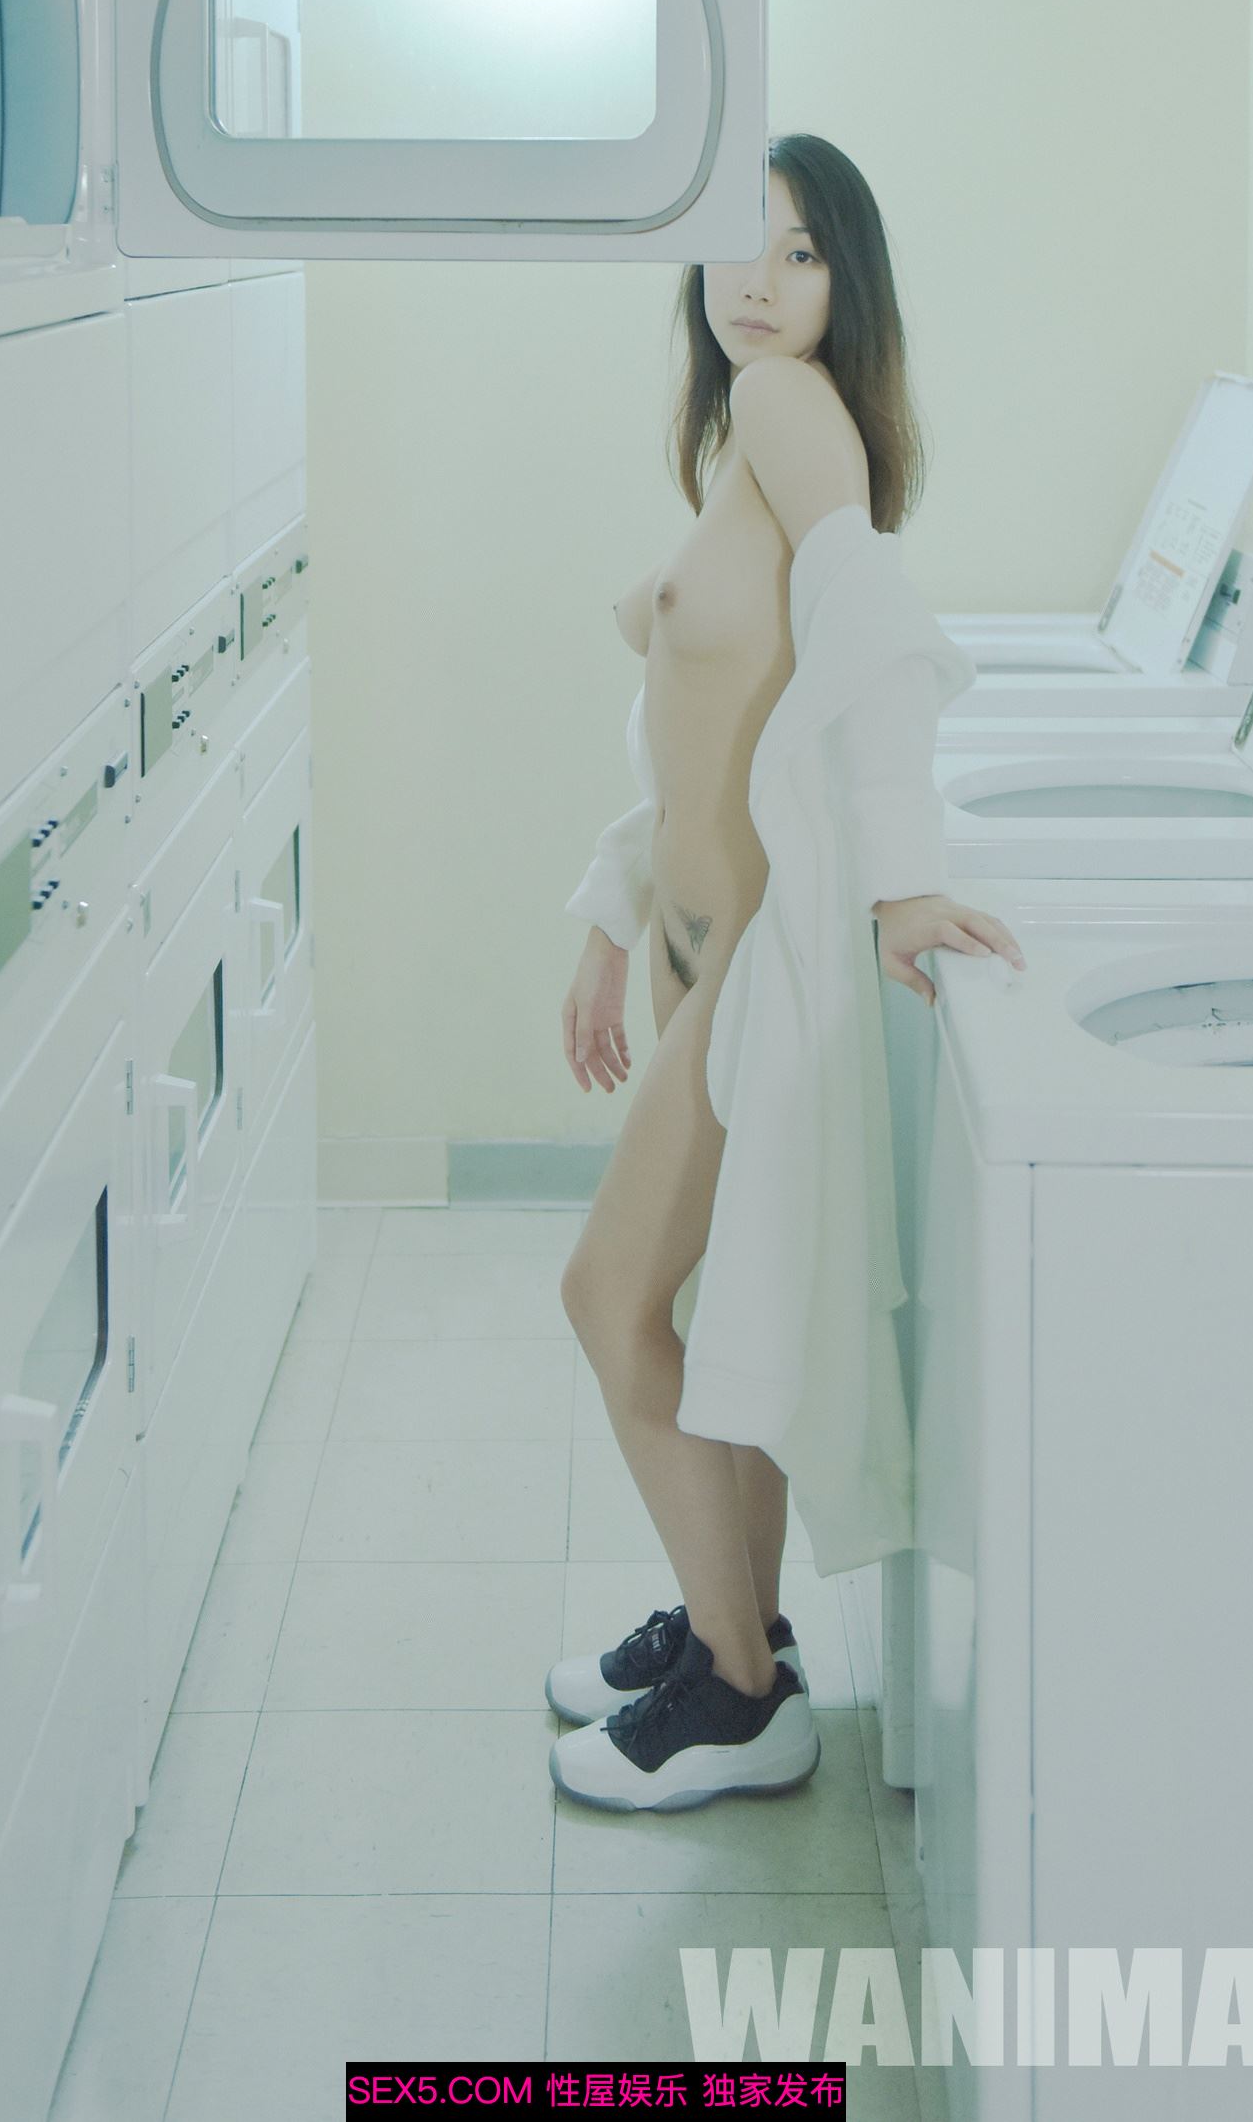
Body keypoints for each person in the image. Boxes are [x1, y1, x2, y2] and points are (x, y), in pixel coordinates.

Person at [544, 134, 1025, 1815]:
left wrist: (907, 884)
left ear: (846, 284)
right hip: (694, 962)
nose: (758, 281)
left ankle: (742, 1698)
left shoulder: (785, 407)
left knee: (609, 1296)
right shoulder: (745, 436)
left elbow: (871, 623)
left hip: (753, 976)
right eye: (737, 244)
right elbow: (709, 732)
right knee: (711, 1316)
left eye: (802, 252)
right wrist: (612, 911)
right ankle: (731, 1627)